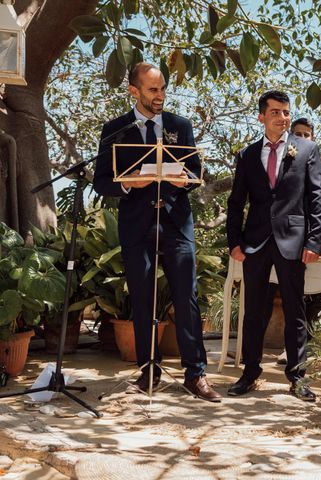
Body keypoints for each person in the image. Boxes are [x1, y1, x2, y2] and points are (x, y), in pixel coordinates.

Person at [93, 62, 221, 402]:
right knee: (142, 297)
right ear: (133, 91)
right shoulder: (115, 129)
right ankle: (149, 370)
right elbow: (101, 180)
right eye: (152, 90)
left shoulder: (181, 126)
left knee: (186, 298)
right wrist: (129, 184)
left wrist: (185, 180)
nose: (160, 95)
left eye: (162, 88)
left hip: (176, 222)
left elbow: (194, 171)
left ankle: (196, 375)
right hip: (136, 224)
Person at [226, 90, 321, 401]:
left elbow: (316, 199)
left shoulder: (307, 149)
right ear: (261, 117)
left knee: (296, 311)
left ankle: (297, 377)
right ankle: (250, 371)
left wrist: (314, 239)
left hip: (293, 240)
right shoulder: (247, 155)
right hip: (254, 242)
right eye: (276, 113)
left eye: (286, 112)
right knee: (253, 312)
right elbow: (235, 202)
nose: (283, 118)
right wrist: (234, 242)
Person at [269, 117, 321, 365]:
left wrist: (312, 237)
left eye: (307, 134)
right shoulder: (280, 160)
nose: (302, 138)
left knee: (309, 299)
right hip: (279, 237)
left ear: (313, 137)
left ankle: (306, 351)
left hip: (307, 237)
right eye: (298, 133)